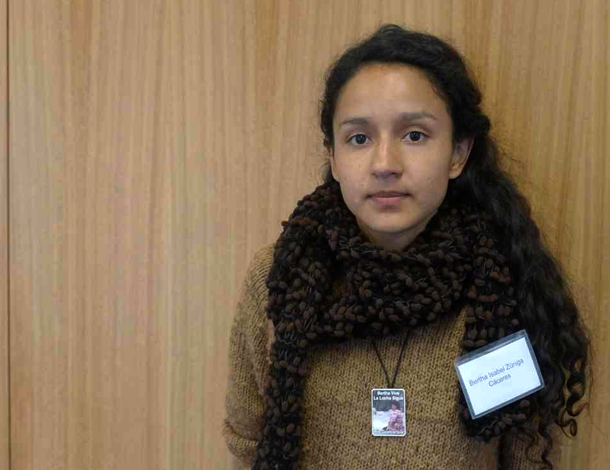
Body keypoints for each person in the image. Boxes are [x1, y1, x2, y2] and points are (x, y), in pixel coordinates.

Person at [223, 24, 590, 470]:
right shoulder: (278, 278)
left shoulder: (504, 283)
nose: (385, 164)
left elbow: (527, 458)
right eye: (359, 138)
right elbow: (248, 448)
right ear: (333, 157)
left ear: (458, 153)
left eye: (414, 135)